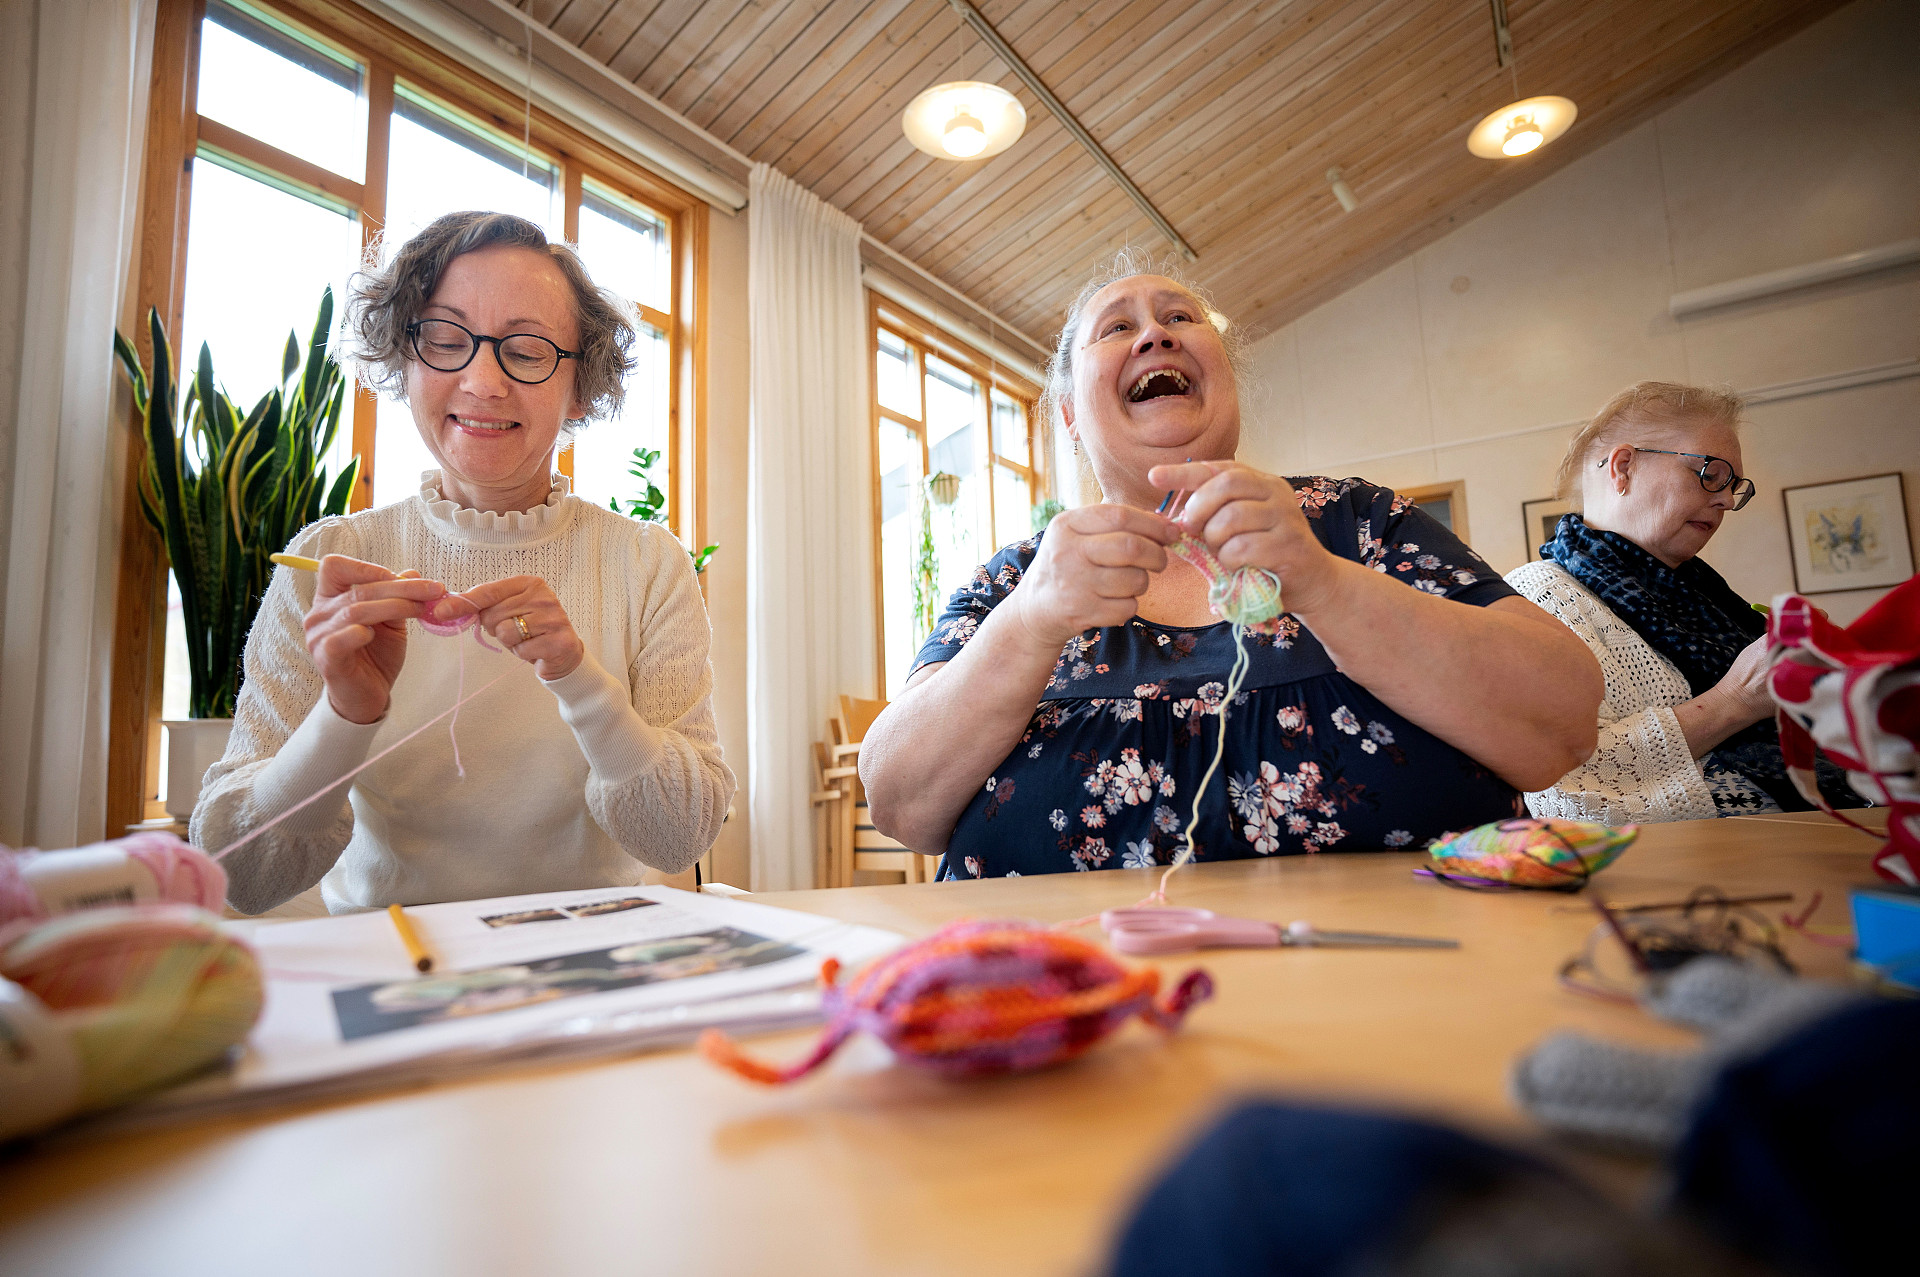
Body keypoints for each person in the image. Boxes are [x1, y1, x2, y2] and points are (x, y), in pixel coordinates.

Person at [858, 251, 1602, 877]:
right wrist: (1027, 623)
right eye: (1118, 327)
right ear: (1069, 415)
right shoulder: (1016, 582)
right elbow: (898, 804)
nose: (1155, 335)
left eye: (1181, 318)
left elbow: (1563, 724)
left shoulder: (1359, 523)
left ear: (1226, 373)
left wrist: (1322, 581)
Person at [195, 211, 734, 915]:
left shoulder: (647, 564)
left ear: (581, 385)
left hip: (588, 962)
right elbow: (238, 871)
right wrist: (346, 713)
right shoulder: (327, 563)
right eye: (446, 339)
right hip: (394, 968)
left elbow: (680, 838)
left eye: (529, 349)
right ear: (404, 358)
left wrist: (581, 682)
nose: (482, 382)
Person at [1508, 382, 1862, 821]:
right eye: (1711, 474)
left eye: (1733, 485)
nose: (1727, 500)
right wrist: (1738, 697)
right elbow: (1560, 783)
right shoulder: (1537, 597)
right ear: (1622, 468)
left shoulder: (1706, 598)